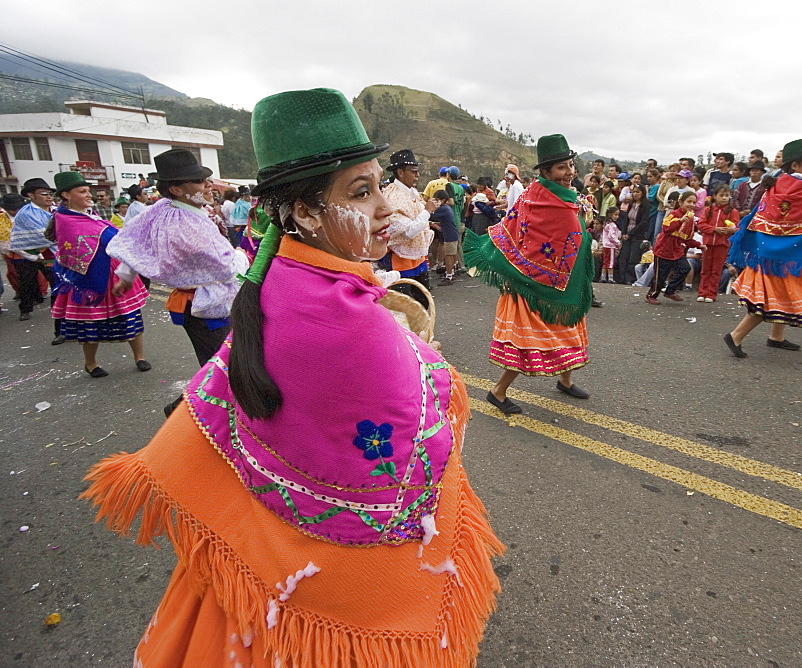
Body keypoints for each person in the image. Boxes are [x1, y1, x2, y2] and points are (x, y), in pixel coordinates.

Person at [84, 87, 503, 667]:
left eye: (381, 184)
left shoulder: (279, 279)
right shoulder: (347, 321)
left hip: (259, 571)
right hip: (328, 585)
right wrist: (423, 355)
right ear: (304, 212)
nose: (386, 207)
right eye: (362, 192)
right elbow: (424, 423)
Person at [106, 148, 249, 401]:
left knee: (221, 363)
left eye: (206, 179)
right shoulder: (187, 225)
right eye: (198, 181)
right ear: (177, 190)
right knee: (223, 368)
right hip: (206, 307)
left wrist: (126, 276)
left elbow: (135, 238)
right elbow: (225, 268)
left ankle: (207, 408)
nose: (208, 186)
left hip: (201, 305)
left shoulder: (164, 207)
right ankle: (192, 411)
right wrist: (241, 255)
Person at [465, 133, 593, 414]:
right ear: (546, 172)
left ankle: (566, 380)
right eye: (561, 168)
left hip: (564, 281)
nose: (569, 173)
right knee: (528, 342)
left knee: (570, 332)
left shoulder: (562, 196)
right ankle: (498, 391)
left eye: (570, 166)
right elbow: (518, 233)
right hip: (533, 285)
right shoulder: (537, 198)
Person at [724, 139, 802, 357]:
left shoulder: (780, 183)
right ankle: (736, 335)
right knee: (770, 298)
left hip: (771, 251)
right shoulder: (800, 188)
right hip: (783, 255)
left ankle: (776, 336)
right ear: (795, 165)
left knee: (780, 294)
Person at [46, 172, 150, 377]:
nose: (88, 195)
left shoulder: (89, 215)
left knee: (130, 315)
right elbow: (101, 238)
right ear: (66, 195)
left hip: (112, 271)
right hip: (89, 278)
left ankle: (139, 356)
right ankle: (90, 363)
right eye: (82, 191)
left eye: (88, 191)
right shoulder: (65, 219)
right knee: (90, 321)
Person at [10, 178, 62, 340]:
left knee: (67, 291)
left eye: (50, 193)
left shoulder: (55, 210)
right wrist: (36, 257)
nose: (48, 197)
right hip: (47, 258)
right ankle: (59, 331)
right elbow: (41, 237)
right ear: (31, 195)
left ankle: (72, 327)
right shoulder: (26, 213)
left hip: (63, 256)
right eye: (43, 193)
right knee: (57, 291)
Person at [382, 148, 435, 296]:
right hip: (400, 260)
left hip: (418, 258)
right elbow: (408, 232)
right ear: (400, 172)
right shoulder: (394, 196)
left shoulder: (411, 193)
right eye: (413, 171)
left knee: (423, 303)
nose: (417, 175)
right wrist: (428, 211)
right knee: (406, 306)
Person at [646, 191, 703, 304]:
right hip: (664, 250)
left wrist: (698, 245)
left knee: (685, 268)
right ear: (681, 202)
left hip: (677, 251)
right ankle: (651, 295)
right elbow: (666, 228)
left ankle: (670, 291)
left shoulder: (691, 219)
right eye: (689, 201)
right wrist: (680, 221)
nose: (691, 204)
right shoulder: (673, 214)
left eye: (694, 202)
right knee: (660, 276)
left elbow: (687, 238)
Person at [697, 185, 739, 302]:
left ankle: (711, 294)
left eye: (726, 195)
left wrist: (732, 230)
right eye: (721, 195)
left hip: (722, 244)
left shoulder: (733, 211)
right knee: (705, 269)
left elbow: (737, 227)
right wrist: (714, 229)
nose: (724, 198)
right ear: (715, 197)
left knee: (716, 270)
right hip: (708, 243)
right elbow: (701, 224)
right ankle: (702, 292)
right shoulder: (708, 210)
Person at [616, 185, 649, 285]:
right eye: (633, 192)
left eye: (637, 192)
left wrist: (630, 234)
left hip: (637, 235)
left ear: (642, 193)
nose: (635, 194)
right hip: (627, 233)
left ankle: (630, 279)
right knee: (623, 256)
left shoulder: (646, 205)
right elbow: (626, 219)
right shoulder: (631, 204)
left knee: (633, 258)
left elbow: (643, 222)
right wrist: (624, 232)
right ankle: (621, 278)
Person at [429, 189, 459, 285]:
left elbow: (430, 215)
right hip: (452, 233)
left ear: (442, 200)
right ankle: (453, 271)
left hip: (449, 235)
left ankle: (449, 276)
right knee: (452, 254)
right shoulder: (447, 208)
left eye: (436, 200)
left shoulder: (442, 209)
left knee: (448, 256)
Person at [600, 209, 621, 282]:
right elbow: (611, 236)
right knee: (611, 262)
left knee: (605, 261)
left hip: (605, 245)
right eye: (615, 214)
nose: (617, 217)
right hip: (611, 245)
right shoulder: (612, 225)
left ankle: (603, 277)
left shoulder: (606, 224)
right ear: (610, 215)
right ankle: (610, 278)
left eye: (618, 215)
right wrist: (617, 242)